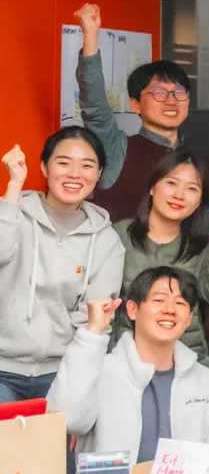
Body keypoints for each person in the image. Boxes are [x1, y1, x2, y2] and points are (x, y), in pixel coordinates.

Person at [49, 267, 209, 459]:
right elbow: (68, 420)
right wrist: (93, 334)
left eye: (180, 303)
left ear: (189, 319)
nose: (170, 310)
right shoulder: (99, 371)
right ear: (133, 309)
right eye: (159, 300)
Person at [0, 130, 125, 403]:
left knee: (64, 433)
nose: (75, 174)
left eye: (87, 165)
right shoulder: (10, 213)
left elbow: (94, 319)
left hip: (61, 372)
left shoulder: (106, 241)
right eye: (64, 162)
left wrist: (78, 377)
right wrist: (14, 186)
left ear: (99, 174)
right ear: (45, 167)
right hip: (2, 369)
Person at [70, 3, 194, 220]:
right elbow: (95, 107)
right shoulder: (118, 149)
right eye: (159, 92)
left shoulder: (201, 164)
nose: (171, 100)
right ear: (135, 105)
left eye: (179, 92)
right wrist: (90, 35)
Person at [113, 151, 209, 364]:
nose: (179, 195)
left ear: (200, 201)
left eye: (192, 189)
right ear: (152, 187)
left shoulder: (203, 245)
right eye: (171, 183)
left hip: (187, 361)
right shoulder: (119, 235)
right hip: (126, 361)